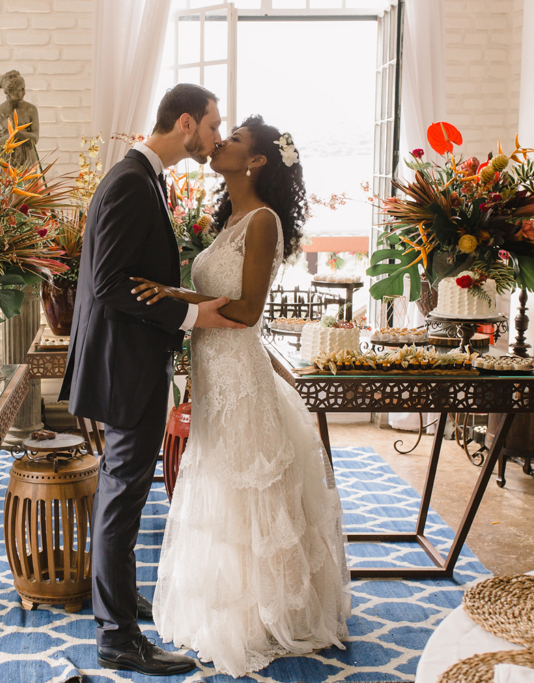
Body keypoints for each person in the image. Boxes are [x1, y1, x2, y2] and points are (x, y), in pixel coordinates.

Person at [132, 116, 350, 677]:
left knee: (247, 488)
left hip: (239, 375)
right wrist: (177, 297)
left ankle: (264, 614)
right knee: (219, 488)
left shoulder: (263, 221)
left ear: (255, 161)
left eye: (232, 140)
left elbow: (249, 311)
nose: (219, 142)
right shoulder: (229, 217)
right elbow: (215, 294)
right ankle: (232, 601)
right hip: (211, 371)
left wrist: (173, 295)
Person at [60, 84, 243, 676]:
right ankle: (117, 636)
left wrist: (175, 305)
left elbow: (134, 280)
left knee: (123, 490)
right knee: (122, 494)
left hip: (131, 359)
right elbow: (112, 284)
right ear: (185, 122)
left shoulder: (147, 179)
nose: (216, 137)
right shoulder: (131, 183)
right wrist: (191, 315)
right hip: (125, 364)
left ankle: (115, 598)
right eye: (213, 126)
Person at [0, 70, 39, 169]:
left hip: (27, 163)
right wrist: (9, 137)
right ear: (9, 91)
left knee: (29, 184)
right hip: (6, 164)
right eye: (20, 90)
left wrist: (16, 132)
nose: (24, 92)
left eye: (24, 88)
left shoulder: (31, 109)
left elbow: (35, 139)